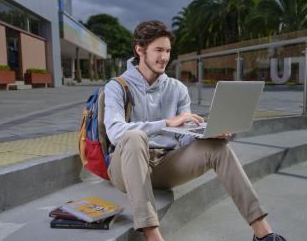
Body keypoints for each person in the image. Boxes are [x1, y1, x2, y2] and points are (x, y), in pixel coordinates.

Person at [103, 20, 286, 241]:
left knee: (217, 147)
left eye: (168, 51)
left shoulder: (177, 89)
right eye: (158, 50)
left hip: (164, 165)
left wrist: (206, 134)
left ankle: (264, 233)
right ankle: (153, 236)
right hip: (125, 167)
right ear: (139, 50)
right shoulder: (117, 86)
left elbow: (183, 139)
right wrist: (167, 123)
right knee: (134, 137)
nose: (164, 57)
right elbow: (115, 132)